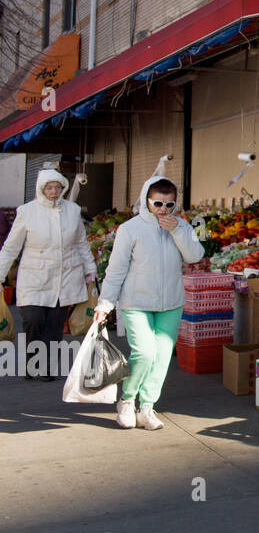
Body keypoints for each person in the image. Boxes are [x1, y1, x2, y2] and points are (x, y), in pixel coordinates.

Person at [94, 176, 206, 430]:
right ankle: (127, 399)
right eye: (158, 203)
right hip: (136, 302)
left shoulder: (183, 227)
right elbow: (116, 270)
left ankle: (147, 407)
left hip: (172, 302)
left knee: (162, 357)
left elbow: (195, 256)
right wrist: (105, 304)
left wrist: (176, 230)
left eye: (170, 205)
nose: (163, 210)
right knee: (144, 353)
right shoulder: (130, 229)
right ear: (146, 201)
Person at [0, 169, 96, 381]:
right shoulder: (27, 212)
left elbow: (81, 243)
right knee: (33, 320)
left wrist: (90, 269)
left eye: (57, 188)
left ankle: (45, 367)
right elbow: (10, 248)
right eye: (49, 188)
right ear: (41, 189)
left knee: (54, 326)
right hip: (34, 277)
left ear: (63, 189)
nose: (53, 192)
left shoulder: (72, 210)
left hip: (64, 277)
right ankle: (31, 361)